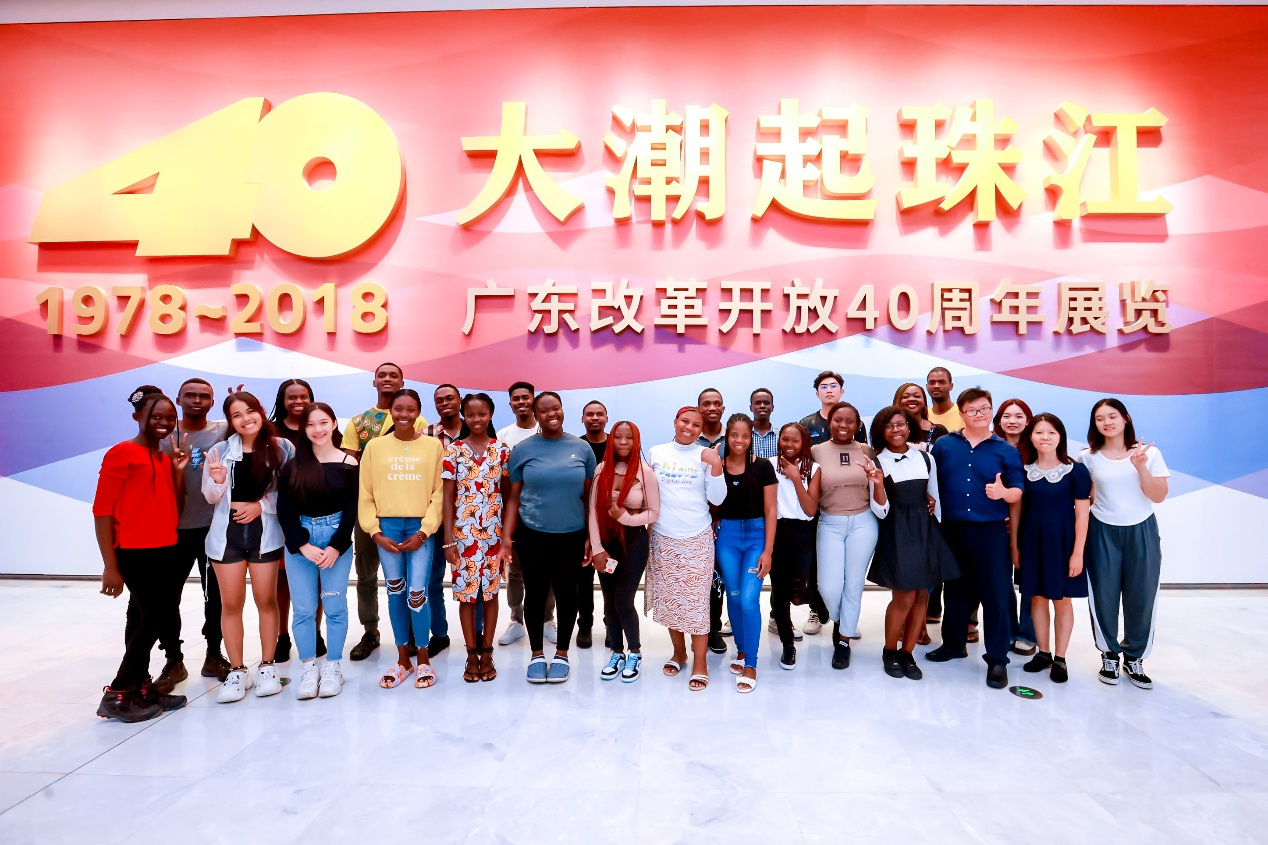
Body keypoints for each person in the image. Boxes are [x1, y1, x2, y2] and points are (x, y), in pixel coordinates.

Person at [93, 387, 191, 722]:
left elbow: (176, 508)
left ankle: (141, 686)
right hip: (134, 553)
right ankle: (118, 692)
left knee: (140, 618)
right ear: (137, 417)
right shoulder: (121, 453)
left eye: (170, 417)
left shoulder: (164, 458)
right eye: (156, 416)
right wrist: (110, 566)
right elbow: (102, 511)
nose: (164, 422)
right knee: (155, 619)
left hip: (165, 549)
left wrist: (178, 471)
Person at [925, 388, 1025, 689]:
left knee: (995, 595)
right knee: (955, 589)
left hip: (990, 531)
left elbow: (1018, 490)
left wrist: (1004, 493)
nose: (979, 414)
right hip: (952, 529)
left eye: (984, 409)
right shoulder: (944, 445)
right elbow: (931, 482)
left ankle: (997, 659)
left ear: (991, 411)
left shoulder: (1005, 451)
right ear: (962, 414)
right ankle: (953, 644)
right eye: (972, 410)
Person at [202, 390, 295, 702]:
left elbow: (290, 491)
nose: (245, 419)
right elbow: (210, 497)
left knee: (266, 600)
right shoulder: (220, 450)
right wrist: (217, 480)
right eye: (236, 415)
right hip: (227, 536)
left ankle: (268, 666)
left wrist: (261, 505)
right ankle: (238, 670)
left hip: (264, 533)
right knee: (231, 604)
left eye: (250, 411)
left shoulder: (282, 447)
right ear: (230, 421)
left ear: (260, 411)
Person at [499, 392, 596, 684]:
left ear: (562, 410)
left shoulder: (582, 449)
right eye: (544, 410)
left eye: (556, 408)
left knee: (567, 594)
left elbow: (589, 497)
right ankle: (537, 655)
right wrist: (506, 537)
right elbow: (513, 497)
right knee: (536, 594)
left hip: (572, 535)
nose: (551, 414)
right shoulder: (523, 449)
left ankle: (562, 654)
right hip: (532, 534)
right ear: (536, 415)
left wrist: (591, 537)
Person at [1078, 398, 1169, 689]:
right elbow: (1084, 499)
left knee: (1141, 596)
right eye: (1100, 418)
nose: (1107, 422)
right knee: (1103, 596)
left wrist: (1140, 467)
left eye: (1112, 416)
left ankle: (1134, 658)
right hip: (1102, 531)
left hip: (1141, 530)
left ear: (1125, 418)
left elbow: (1158, 496)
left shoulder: (1149, 453)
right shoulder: (1088, 457)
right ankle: (1109, 655)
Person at [359, 389, 445, 689]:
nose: (404, 414)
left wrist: (425, 531)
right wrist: (375, 532)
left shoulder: (433, 446)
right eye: (398, 409)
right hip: (387, 528)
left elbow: (439, 494)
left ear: (418, 412)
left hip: (420, 527)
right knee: (395, 591)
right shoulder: (375, 447)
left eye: (410, 409)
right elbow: (365, 493)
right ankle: (402, 661)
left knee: (417, 593)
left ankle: (424, 660)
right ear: (391, 411)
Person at [342, 363, 427, 663]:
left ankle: (412, 633)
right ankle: (370, 631)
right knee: (366, 574)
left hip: (407, 512)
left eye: (394, 375)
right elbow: (351, 469)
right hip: (369, 511)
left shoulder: (418, 420)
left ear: (402, 381)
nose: (388, 379)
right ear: (374, 381)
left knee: (408, 575)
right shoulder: (359, 422)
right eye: (383, 375)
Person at [866, 407, 958, 681]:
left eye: (901, 424)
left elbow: (934, 498)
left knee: (922, 595)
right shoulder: (877, 461)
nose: (896, 430)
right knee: (904, 596)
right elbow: (880, 510)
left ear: (909, 427)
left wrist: (937, 536)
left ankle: (908, 653)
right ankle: (889, 651)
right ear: (881, 431)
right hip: (897, 532)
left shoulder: (926, 458)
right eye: (889, 425)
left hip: (925, 531)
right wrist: (878, 484)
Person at [276, 403, 358, 699]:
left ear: (334, 424)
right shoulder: (293, 466)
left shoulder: (349, 463)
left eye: (323, 422)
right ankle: (309, 669)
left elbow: (352, 509)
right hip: (302, 543)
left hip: (336, 540)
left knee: (335, 607)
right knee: (303, 610)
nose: (317, 429)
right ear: (303, 429)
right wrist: (302, 545)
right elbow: (284, 509)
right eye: (310, 424)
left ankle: (333, 667)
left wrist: (336, 546)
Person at [646, 407, 726, 691]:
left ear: (701, 430)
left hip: (696, 538)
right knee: (672, 602)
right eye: (685, 421)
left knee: (696, 604)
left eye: (696, 425)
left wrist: (716, 466)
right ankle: (679, 653)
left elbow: (717, 498)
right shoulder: (656, 452)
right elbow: (647, 492)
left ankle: (700, 662)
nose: (689, 428)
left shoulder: (705, 455)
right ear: (675, 422)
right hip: (663, 538)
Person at [156, 378, 229, 687]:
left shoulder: (223, 431)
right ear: (178, 399)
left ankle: (214, 654)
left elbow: (255, 429)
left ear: (212, 402)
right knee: (167, 597)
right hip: (174, 531)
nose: (197, 400)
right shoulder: (163, 436)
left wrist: (238, 402)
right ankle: (173, 659)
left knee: (216, 596)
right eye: (190, 395)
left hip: (214, 529)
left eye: (204, 396)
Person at [1012, 413, 1090, 684]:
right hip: (1031, 542)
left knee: (1062, 600)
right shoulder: (1023, 471)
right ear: (1030, 437)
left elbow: (1082, 515)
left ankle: (1060, 658)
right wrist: (1015, 546)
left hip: (1063, 544)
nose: (1045, 437)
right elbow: (1016, 512)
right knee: (1036, 598)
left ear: (1060, 437)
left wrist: (1078, 553)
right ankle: (1043, 652)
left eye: (1051, 432)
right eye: (1039, 432)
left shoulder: (1076, 471)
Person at [442, 393, 510, 683]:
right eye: (470, 415)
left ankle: (487, 653)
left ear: (490, 414)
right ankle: (471, 654)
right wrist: (448, 541)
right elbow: (447, 499)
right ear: (464, 417)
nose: (476, 419)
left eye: (482, 414)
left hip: (493, 536)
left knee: (490, 594)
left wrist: (507, 539)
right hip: (463, 537)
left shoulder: (502, 451)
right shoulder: (454, 451)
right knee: (467, 597)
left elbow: (509, 497)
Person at [267, 378, 335, 663]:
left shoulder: (321, 429)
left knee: (316, 576)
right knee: (282, 579)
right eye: (291, 397)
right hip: (279, 515)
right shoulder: (270, 431)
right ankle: (282, 635)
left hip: (317, 517)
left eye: (303, 396)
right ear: (282, 400)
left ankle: (315, 632)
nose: (298, 402)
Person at [588, 421, 660, 683]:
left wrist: (626, 517)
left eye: (629, 437)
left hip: (634, 542)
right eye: (618, 437)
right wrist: (597, 549)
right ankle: (616, 653)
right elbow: (593, 511)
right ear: (611, 440)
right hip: (607, 543)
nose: (623, 442)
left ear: (636, 441)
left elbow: (653, 512)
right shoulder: (601, 469)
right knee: (609, 602)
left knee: (623, 600)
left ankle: (635, 653)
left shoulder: (645, 471)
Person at [811, 402, 879, 670]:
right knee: (828, 587)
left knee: (854, 584)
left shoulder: (866, 451)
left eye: (850, 421)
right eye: (838, 420)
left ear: (858, 425)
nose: (843, 425)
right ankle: (841, 619)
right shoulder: (816, 451)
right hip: (830, 521)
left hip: (864, 521)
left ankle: (843, 641)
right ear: (829, 422)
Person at [716, 414, 778, 693]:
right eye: (734, 435)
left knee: (749, 599)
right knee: (734, 595)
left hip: (756, 536)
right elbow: (711, 501)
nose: (739, 440)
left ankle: (751, 663)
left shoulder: (763, 466)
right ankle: (741, 652)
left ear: (751, 437)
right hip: (727, 537)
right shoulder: (717, 467)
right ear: (726, 437)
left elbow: (771, 510)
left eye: (745, 435)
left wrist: (768, 551)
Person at [496, 381, 555, 646]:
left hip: (546, 514)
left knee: (547, 572)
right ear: (510, 403)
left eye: (525, 397)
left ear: (533, 401)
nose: (521, 402)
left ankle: (546, 619)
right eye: (516, 398)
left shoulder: (547, 432)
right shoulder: (503, 436)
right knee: (516, 572)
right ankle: (516, 620)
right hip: (515, 515)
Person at [423, 383, 470, 659]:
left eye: (450, 398)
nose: (445, 403)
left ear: (459, 400)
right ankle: (439, 634)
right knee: (432, 581)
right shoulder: (425, 435)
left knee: (472, 579)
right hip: (434, 517)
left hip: (470, 518)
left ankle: (476, 634)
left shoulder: (476, 428)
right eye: (439, 400)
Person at [768, 423, 819, 670]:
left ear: (804, 443)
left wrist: (797, 479)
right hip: (777, 530)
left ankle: (819, 606)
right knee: (780, 591)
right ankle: (788, 645)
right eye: (784, 439)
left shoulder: (814, 469)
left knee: (798, 592)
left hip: (803, 533)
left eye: (795, 440)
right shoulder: (769, 465)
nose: (789, 445)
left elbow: (810, 510)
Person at [994, 398, 1039, 657]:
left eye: (1019, 416)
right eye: (1007, 416)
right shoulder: (991, 448)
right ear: (998, 420)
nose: (1013, 421)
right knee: (1002, 581)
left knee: (1030, 580)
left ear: (1028, 420)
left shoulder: (1037, 449)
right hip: (998, 524)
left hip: (1031, 524)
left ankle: (1028, 633)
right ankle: (1009, 629)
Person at [576, 399, 610, 648]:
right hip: (580, 522)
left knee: (610, 579)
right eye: (590, 414)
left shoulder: (616, 445)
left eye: (599, 414)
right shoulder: (576, 446)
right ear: (583, 419)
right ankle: (585, 626)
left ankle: (612, 625)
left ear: (606, 418)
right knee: (583, 581)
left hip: (611, 523)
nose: (595, 418)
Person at [697, 388, 729, 653]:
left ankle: (714, 629)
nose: (711, 408)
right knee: (699, 579)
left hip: (725, 520)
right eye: (706, 404)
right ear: (699, 409)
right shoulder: (688, 439)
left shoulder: (733, 438)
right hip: (697, 520)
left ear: (723, 408)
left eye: (716, 403)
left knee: (718, 578)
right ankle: (698, 628)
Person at [892, 382, 948, 449]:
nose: (911, 399)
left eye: (917, 396)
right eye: (905, 397)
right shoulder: (889, 430)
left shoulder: (938, 431)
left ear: (924, 402)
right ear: (898, 401)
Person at [925, 367, 963, 432]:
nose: (936, 386)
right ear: (926, 386)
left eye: (942, 382)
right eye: (932, 382)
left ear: (951, 386)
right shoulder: (924, 416)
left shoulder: (964, 413)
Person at [749, 389, 779, 459]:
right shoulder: (744, 437)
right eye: (758, 403)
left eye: (766, 403)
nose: (762, 406)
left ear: (772, 408)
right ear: (751, 408)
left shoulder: (780, 437)